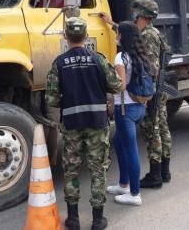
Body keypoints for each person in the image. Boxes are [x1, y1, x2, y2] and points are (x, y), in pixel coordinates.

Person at [46, 17, 121, 230]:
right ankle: (98, 220)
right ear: (87, 36)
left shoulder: (59, 63)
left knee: (71, 170)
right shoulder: (99, 59)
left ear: (65, 37)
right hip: (97, 123)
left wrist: (68, 98)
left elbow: (51, 99)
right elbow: (116, 86)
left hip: (71, 124)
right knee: (98, 170)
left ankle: (73, 220)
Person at [100, 0, 172, 189]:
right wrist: (112, 24)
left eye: (136, 11)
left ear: (142, 15)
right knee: (161, 127)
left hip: (151, 90)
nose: (134, 15)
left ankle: (156, 175)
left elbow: (151, 68)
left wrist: (144, 92)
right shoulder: (150, 31)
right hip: (156, 88)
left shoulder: (148, 35)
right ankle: (164, 172)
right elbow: (130, 33)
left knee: (153, 130)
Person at [106, 22, 151, 206]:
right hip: (139, 107)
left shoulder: (120, 58)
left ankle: (134, 193)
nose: (115, 36)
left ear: (122, 36)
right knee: (118, 143)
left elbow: (121, 85)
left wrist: (107, 83)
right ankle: (123, 184)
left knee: (131, 149)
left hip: (125, 110)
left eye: (117, 33)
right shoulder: (140, 56)